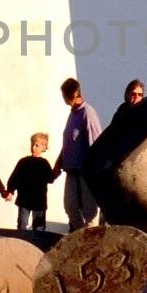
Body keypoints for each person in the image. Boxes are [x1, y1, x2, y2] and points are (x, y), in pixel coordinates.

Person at [54, 78, 102, 230]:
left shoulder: (87, 113)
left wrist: (95, 170)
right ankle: (81, 235)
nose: (64, 98)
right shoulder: (73, 114)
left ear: (74, 94)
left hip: (85, 172)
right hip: (71, 169)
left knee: (90, 211)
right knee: (70, 206)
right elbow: (68, 142)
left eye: (65, 95)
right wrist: (58, 163)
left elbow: (95, 142)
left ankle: (92, 240)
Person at [7, 132, 53, 232]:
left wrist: (56, 171)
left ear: (43, 148)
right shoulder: (23, 162)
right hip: (24, 200)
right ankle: (21, 245)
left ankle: (38, 245)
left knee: (39, 228)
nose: (33, 147)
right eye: (32, 144)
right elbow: (15, 177)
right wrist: (10, 191)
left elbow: (50, 178)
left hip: (39, 201)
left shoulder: (44, 163)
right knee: (22, 226)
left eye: (37, 145)